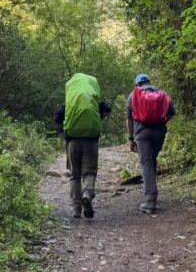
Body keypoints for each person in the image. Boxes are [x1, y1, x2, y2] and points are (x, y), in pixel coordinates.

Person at [54, 72, 112, 218]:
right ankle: (87, 194)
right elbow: (107, 109)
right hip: (91, 141)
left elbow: (57, 118)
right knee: (89, 173)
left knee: (75, 175)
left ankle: (76, 208)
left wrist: (63, 131)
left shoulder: (69, 105)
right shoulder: (94, 103)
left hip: (73, 141)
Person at [126, 73, 175, 214]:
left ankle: (149, 200)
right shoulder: (161, 93)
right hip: (159, 132)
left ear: (137, 84)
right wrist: (162, 123)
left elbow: (129, 119)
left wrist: (131, 138)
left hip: (142, 133)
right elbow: (171, 112)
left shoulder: (133, 95)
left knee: (146, 162)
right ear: (149, 81)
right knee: (152, 159)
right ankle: (152, 195)